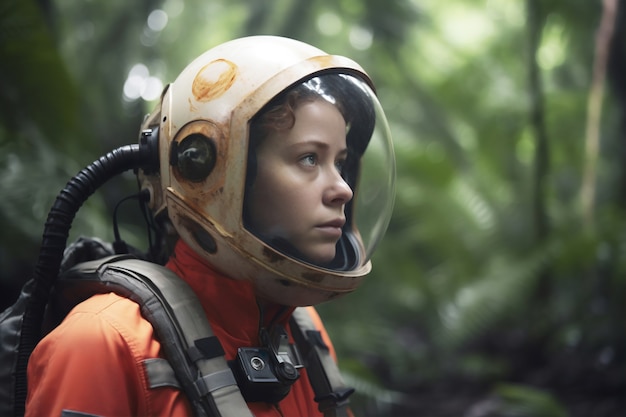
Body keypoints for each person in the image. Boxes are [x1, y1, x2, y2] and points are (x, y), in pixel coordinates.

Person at [24, 35, 395, 417]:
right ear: (219, 173)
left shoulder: (301, 332)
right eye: (308, 159)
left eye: (341, 162)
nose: (343, 189)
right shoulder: (102, 343)